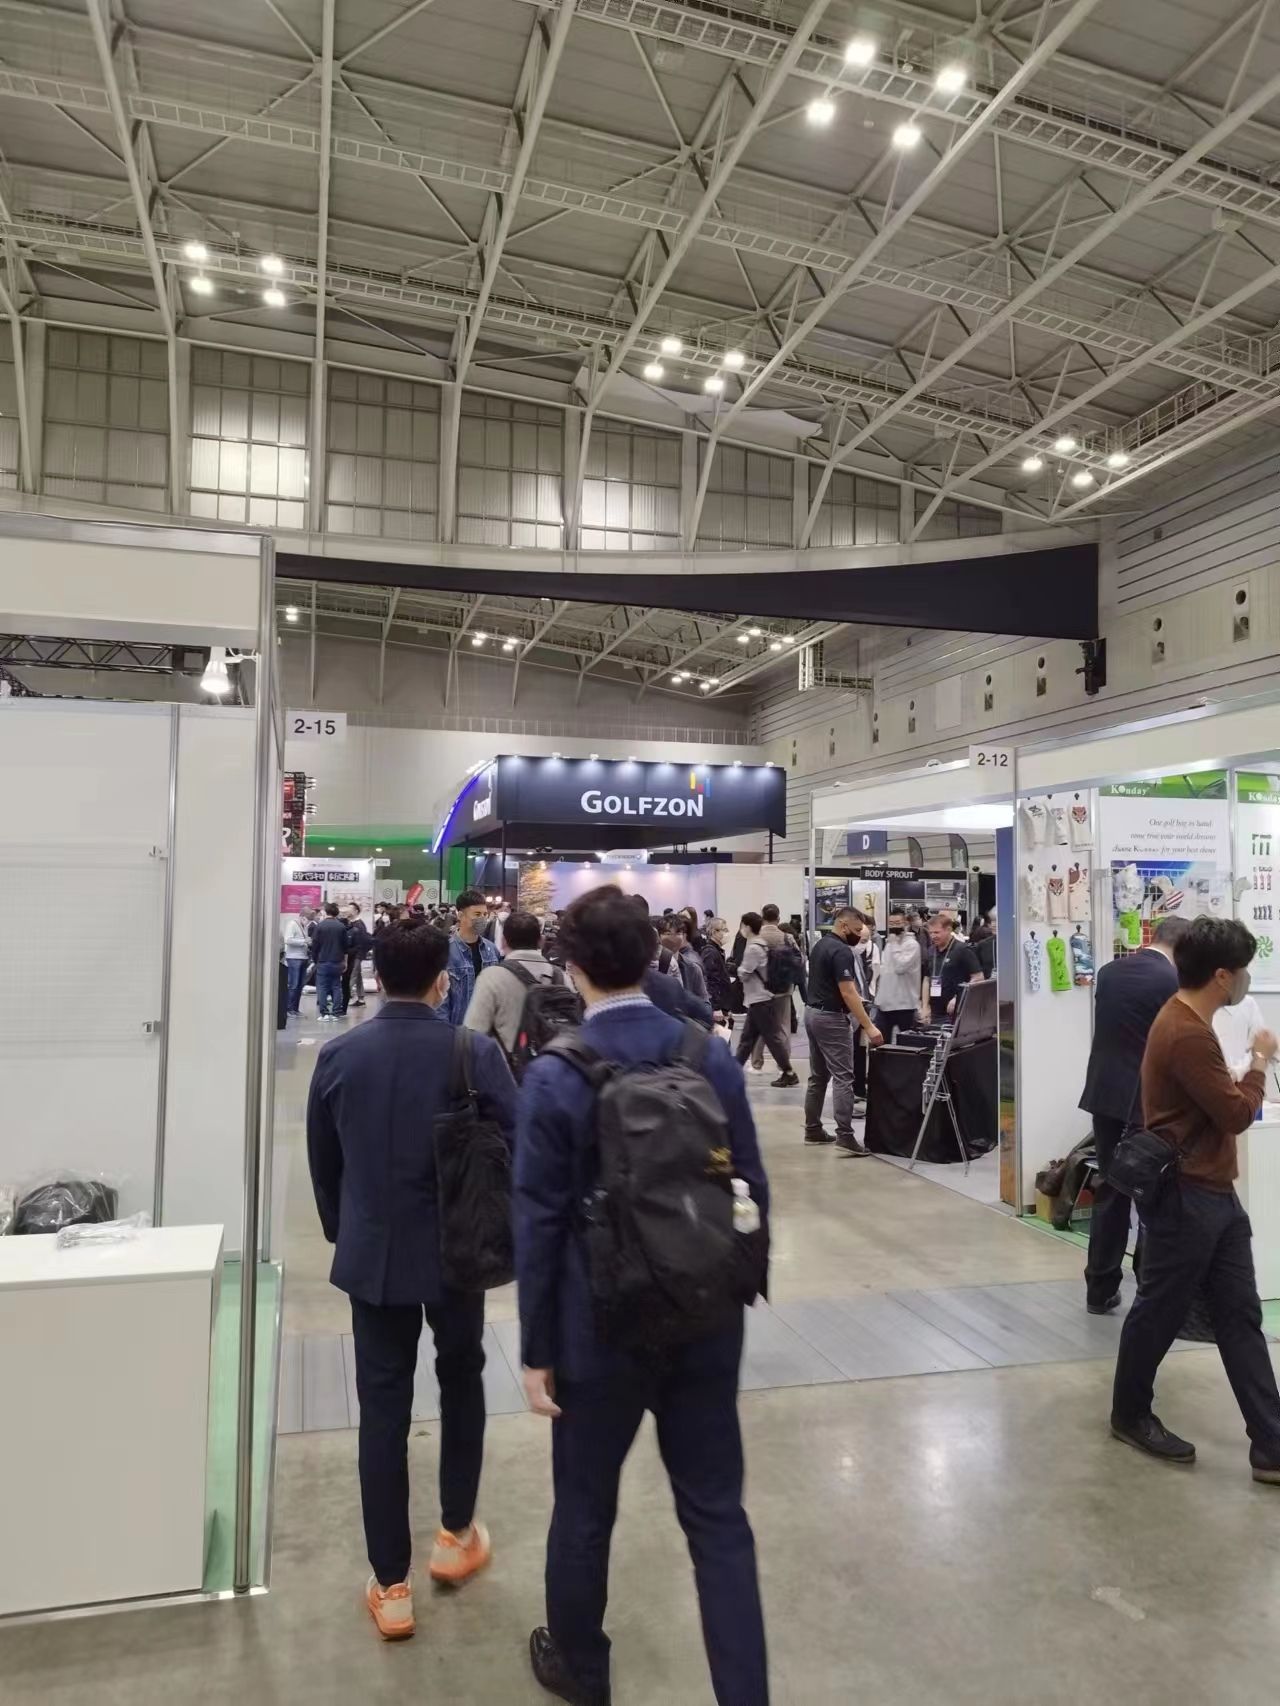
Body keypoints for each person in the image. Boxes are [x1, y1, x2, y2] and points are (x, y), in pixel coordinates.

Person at [514, 885, 770, 1706]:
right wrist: (735, 1289)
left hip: (598, 1328)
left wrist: (537, 1349)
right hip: (705, 1315)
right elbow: (751, 1187)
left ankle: (581, 1669)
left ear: (573, 965)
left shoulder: (557, 1073)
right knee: (718, 1517)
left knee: (585, 1507)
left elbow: (538, 1223)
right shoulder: (706, 1056)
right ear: (653, 956)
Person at [306, 917, 518, 1637]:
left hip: (374, 1258)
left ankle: (391, 1585)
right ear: (442, 981)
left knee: (383, 1410)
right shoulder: (474, 1052)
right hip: (460, 1255)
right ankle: (455, 1535)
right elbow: (515, 1140)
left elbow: (324, 1164)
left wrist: (349, 1232)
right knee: (462, 1381)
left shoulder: (339, 1056)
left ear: (375, 976)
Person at [1110, 916, 1280, 1477]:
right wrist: (1259, 1061)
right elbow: (1234, 1114)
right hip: (1186, 1196)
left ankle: (1271, 1441)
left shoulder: (1189, 1023)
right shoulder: (1185, 1031)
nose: (1246, 980)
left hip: (1213, 1193)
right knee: (1158, 1310)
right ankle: (1130, 1413)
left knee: (1240, 1313)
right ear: (1222, 976)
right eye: (1242, 970)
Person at [1079, 916, 1191, 1314]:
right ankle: (1149, 1285)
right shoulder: (1173, 982)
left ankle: (1099, 1288)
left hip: (1105, 1094)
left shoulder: (1109, 973)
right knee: (1153, 1193)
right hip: (1148, 1101)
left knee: (1112, 1188)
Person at [804, 906, 883, 1154]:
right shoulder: (841, 951)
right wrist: (869, 1026)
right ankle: (845, 1135)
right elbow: (848, 992)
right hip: (831, 1019)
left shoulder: (820, 945)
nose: (859, 935)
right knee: (843, 1078)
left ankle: (813, 1129)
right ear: (843, 925)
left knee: (818, 1076)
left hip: (812, 1013)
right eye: (857, 930)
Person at [463, 910, 562, 1059]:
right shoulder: (560, 976)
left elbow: (473, 1035)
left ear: (503, 941)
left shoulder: (492, 977)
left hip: (506, 1068)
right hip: (553, 1067)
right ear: (541, 941)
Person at [735, 912, 798, 1086]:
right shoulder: (761, 945)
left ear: (748, 927)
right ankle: (733, 1071)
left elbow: (744, 972)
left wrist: (738, 970)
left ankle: (789, 1072)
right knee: (748, 1039)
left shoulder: (753, 947)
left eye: (742, 925)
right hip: (760, 998)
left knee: (771, 1039)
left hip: (759, 999)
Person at [443, 888, 501, 1025]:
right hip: (457, 1028)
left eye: (485, 914)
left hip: (486, 1028)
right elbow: (440, 1001)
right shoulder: (445, 951)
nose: (482, 919)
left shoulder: (491, 950)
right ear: (461, 915)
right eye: (477, 914)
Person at [921, 912, 982, 1024]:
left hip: (957, 1011)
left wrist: (958, 998)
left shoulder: (963, 950)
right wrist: (925, 1006)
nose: (933, 936)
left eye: (936, 932)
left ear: (948, 930)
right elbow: (927, 979)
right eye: (930, 933)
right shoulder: (931, 951)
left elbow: (978, 977)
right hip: (934, 1012)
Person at [874, 907, 922, 1041]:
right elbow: (884, 970)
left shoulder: (912, 945)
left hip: (905, 1005)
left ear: (905, 923)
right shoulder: (889, 944)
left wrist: (894, 944)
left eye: (897, 923)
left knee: (907, 1044)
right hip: (885, 1004)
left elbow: (900, 968)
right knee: (881, 1043)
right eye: (891, 923)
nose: (894, 926)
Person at [1215, 985, 1270, 1081]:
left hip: (1242, 1082)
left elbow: (1262, 1052)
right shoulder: (1194, 1007)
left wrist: (1238, 1072)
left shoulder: (1248, 1004)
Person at [659, 915, 711, 1005]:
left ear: (684, 936)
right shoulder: (650, 966)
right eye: (668, 933)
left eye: (678, 933)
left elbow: (705, 1003)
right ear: (659, 936)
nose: (673, 938)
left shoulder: (692, 968)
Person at [312, 901, 350, 1021]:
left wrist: (315, 960)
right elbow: (346, 947)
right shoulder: (341, 927)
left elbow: (315, 945)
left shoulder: (320, 926)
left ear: (326, 912)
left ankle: (324, 1013)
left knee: (322, 987)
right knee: (336, 986)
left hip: (323, 961)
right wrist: (345, 962)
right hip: (337, 961)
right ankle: (336, 1012)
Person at [700, 916, 734, 1026]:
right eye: (724, 930)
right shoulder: (710, 952)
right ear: (714, 932)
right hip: (716, 1007)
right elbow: (710, 980)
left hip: (723, 1004)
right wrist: (716, 1007)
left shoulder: (717, 951)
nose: (727, 933)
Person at [343, 902, 372, 1011]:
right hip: (354, 954)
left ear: (356, 911)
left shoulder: (359, 924)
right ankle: (361, 998)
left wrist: (360, 954)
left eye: (350, 909)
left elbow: (362, 941)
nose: (347, 910)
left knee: (352, 976)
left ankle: (344, 997)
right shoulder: (351, 923)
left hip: (356, 955)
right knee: (358, 976)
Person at [282, 911, 310, 1016]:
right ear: (302, 917)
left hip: (303, 957)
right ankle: (289, 1009)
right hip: (294, 958)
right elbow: (288, 940)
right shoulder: (292, 924)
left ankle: (295, 1008)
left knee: (300, 985)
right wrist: (304, 941)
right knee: (293, 985)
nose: (307, 922)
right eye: (306, 919)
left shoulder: (304, 927)